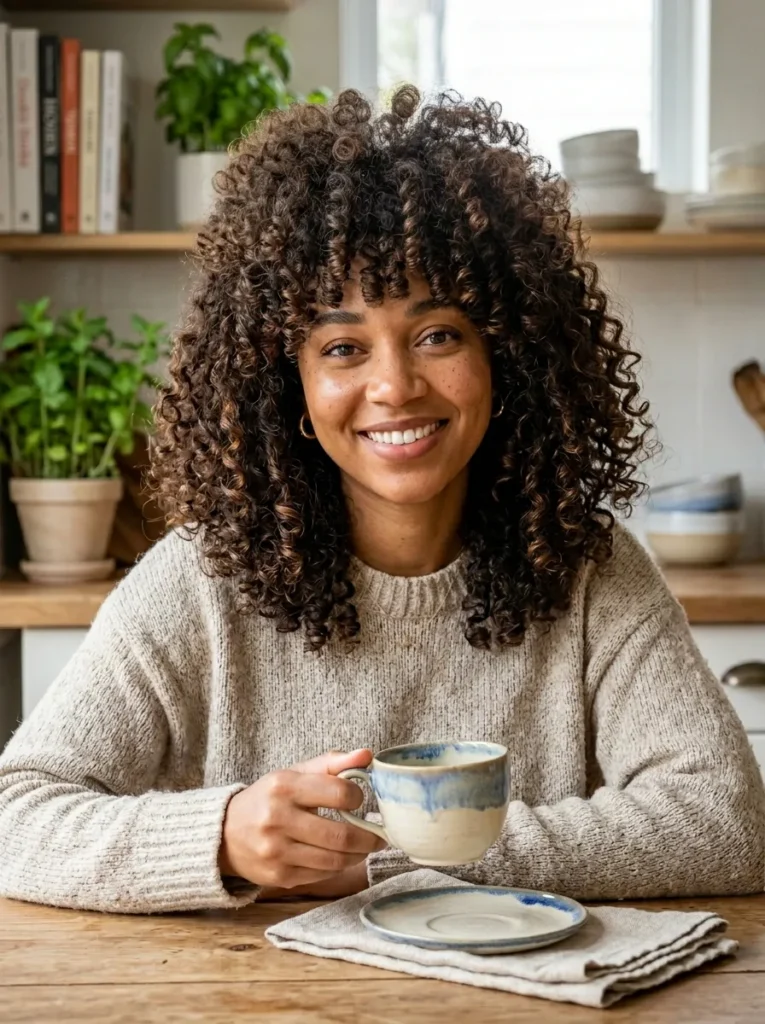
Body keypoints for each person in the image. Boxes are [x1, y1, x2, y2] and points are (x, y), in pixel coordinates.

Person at [1, 88, 763, 915]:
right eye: (342, 347)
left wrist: (406, 858)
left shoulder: (589, 569)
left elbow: (727, 821)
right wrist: (219, 835)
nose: (394, 386)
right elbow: (17, 816)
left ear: (506, 355)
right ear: (284, 381)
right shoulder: (198, 580)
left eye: (438, 335)